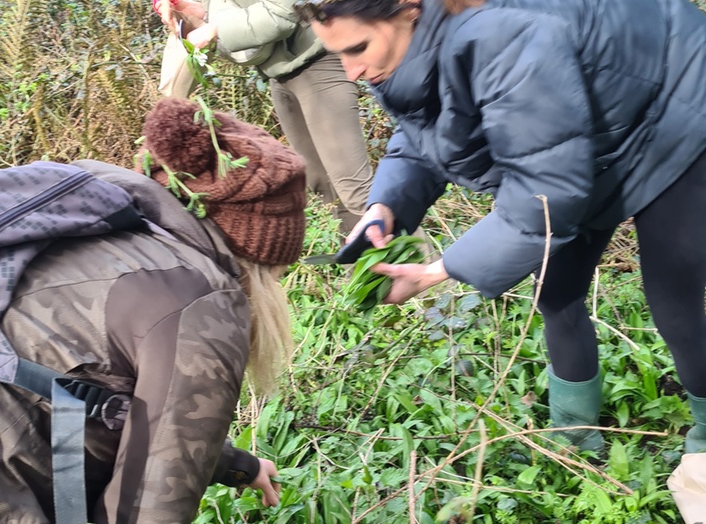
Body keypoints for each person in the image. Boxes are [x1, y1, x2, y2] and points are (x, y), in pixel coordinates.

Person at [0, 97, 305, 522]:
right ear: (259, 258)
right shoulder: (203, 300)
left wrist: (237, 465)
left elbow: (109, 398)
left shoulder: (91, 225)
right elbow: (145, 513)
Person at [296, 0, 706, 455]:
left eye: (358, 48)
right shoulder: (405, 49)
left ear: (408, 8)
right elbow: (422, 134)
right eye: (338, 56)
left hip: (677, 106)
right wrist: (385, 206)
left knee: (675, 303)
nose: (350, 71)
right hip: (588, 134)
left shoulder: (503, 36)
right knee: (554, 293)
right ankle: (573, 437)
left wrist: (438, 270)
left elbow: (545, 193)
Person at [154, 0, 374, 232]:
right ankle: (362, 265)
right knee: (324, 188)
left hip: (320, 60)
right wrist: (198, 11)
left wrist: (215, 28)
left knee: (356, 190)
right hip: (281, 73)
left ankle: (407, 257)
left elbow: (283, 12)